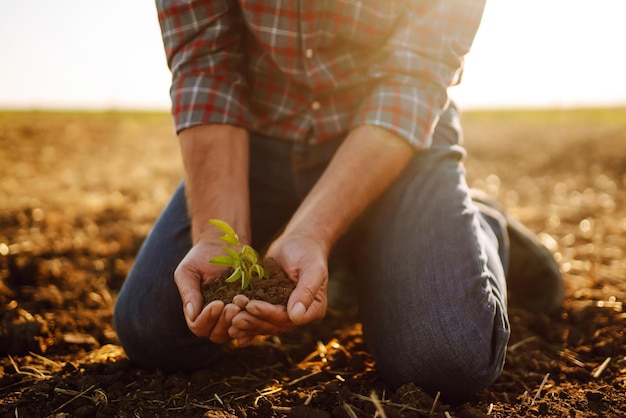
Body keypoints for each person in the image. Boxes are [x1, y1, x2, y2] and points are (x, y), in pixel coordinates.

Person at [114, 0, 563, 401]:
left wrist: (312, 231)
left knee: (445, 356)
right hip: (261, 136)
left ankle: (476, 219)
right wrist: (217, 235)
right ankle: (363, 245)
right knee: (155, 331)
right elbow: (206, 65)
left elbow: (415, 79)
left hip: (396, 137)